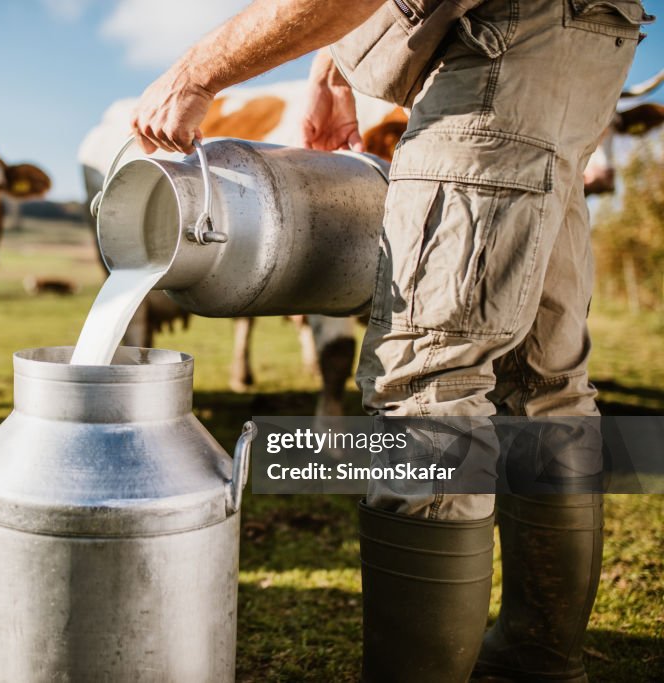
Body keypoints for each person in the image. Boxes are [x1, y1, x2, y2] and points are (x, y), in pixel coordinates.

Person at [130, 1, 648, 681]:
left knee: (427, 387)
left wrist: (197, 72)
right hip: (572, 44)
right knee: (540, 378)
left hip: (496, 54)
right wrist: (334, 66)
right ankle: (535, 659)